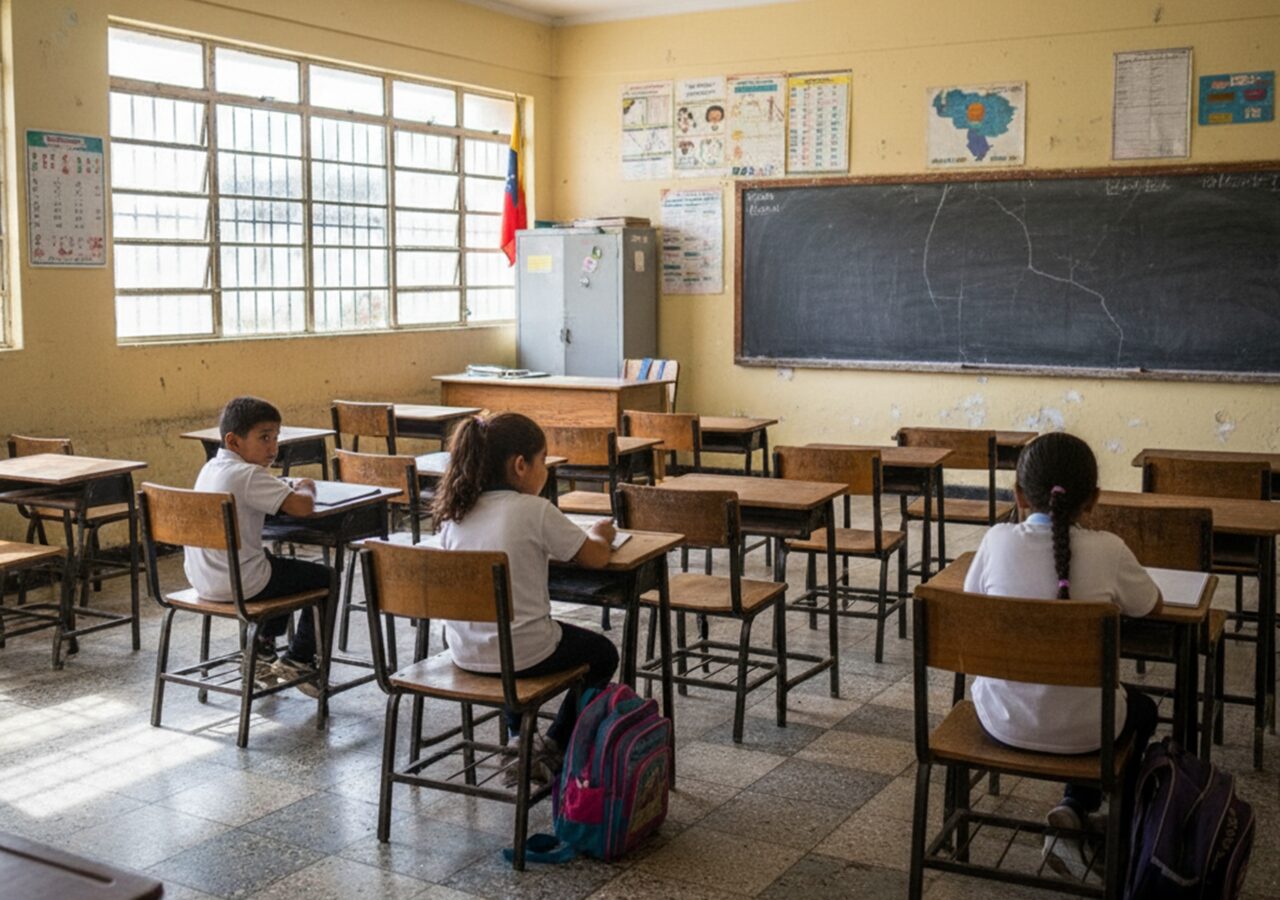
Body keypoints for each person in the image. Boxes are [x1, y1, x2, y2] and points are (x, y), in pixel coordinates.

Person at [962, 432, 1160, 880]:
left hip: (999, 720)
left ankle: (1075, 808)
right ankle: (1095, 815)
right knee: (1143, 710)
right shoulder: (1109, 549)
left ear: (1017, 494)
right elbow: (1152, 605)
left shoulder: (995, 541)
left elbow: (972, 603)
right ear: (1093, 500)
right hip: (1091, 733)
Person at [433, 412, 619, 783]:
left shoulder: (454, 515)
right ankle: (553, 744)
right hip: (524, 653)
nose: (546, 470)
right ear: (521, 465)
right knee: (602, 653)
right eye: (543, 461)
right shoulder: (534, 510)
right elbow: (595, 557)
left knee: (505, 635)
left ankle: (520, 737)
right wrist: (601, 533)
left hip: (464, 651)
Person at [184, 396, 329, 696]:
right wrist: (305, 486)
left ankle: (262, 653)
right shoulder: (248, 475)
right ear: (233, 441)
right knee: (326, 577)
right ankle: (299, 660)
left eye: (276, 438)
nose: (273, 448)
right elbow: (303, 507)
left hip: (203, 582)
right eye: (264, 438)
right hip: (241, 584)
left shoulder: (211, 468)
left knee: (274, 565)